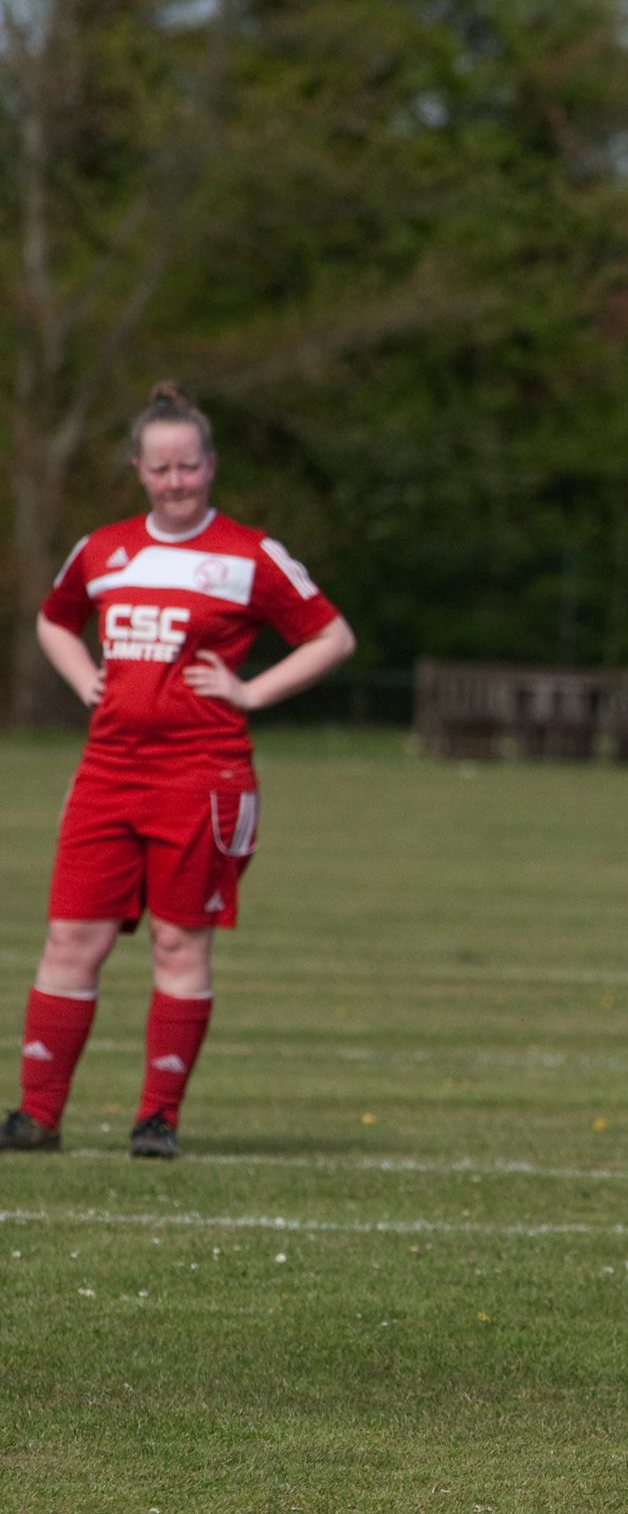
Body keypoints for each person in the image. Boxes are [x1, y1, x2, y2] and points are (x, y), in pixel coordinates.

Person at [3, 382, 356, 1160]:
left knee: (177, 944)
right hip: (106, 773)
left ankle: (157, 1119)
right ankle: (36, 1118)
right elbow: (55, 618)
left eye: (188, 468)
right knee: (71, 939)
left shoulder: (250, 555)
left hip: (203, 776)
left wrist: (250, 691)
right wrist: (81, 676)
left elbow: (333, 637)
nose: (175, 482)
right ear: (138, 468)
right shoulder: (102, 550)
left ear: (210, 465)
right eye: (160, 469)